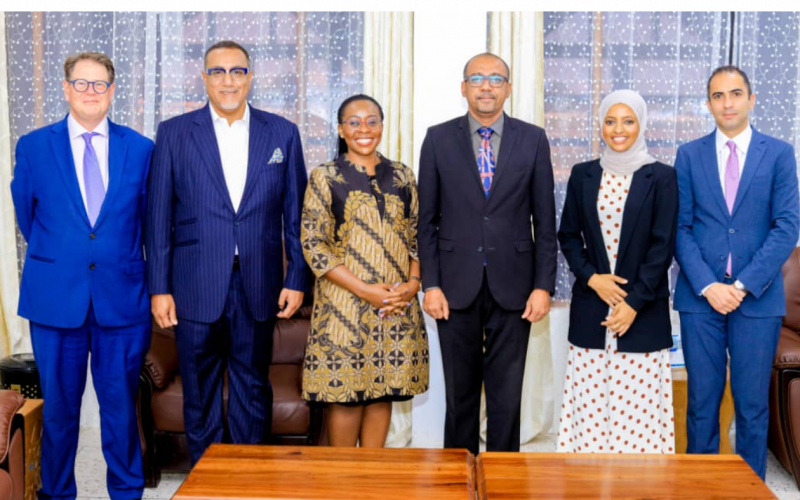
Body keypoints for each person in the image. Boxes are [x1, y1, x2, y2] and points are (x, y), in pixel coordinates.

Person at [146, 40, 310, 464]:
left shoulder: (282, 133)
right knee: (199, 390)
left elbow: (296, 216)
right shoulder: (174, 133)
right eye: (217, 72)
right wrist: (159, 288)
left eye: (237, 71)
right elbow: (158, 216)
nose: (228, 80)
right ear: (203, 78)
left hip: (259, 283)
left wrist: (296, 280)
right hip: (194, 283)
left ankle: (249, 478)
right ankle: (207, 479)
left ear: (250, 77)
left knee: (252, 386)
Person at [11, 51, 153, 499]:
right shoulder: (33, 146)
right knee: (59, 413)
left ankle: (126, 492)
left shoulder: (142, 149)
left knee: (119, 411)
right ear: (66, 88)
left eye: (100, 84)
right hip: (56, 300)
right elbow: (28, 218)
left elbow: (147, 222)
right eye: (82, 83)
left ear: (112, 91)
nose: (91, 92)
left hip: (123, 299)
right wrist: (67, 256)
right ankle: (57, 494)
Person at [417, 53, 557, 454]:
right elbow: (426, 222)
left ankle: (502, 480)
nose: (486, 86)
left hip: (515, 286)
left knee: (506, 398)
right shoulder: (438, 138)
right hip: (454, 287)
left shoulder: (533, 139)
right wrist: (432, 284)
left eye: (496, 79)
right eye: (477, 78)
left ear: (508, 88)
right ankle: (455, 481)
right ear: (463, 88)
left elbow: (545, 223)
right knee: (460, 398)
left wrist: (542, 286)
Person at [674, 65, 800, 478]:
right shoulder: (688, 154)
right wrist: (709, 285)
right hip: (700, 299)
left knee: (751, 405)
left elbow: (786, 226)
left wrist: (742, 284)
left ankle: (749, 489)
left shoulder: (779, 153)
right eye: (717, 96)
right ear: (708, 103)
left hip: (758, 300)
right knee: (702, 404)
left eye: (735, 94)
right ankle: (699, 487)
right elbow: (680, 226)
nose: (727, 103)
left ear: (751, 98)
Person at [300, 94, 429, 447]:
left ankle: (373, 480)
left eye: (372, 121)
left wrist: (414, 284)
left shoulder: (403, 175)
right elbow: (314, 246)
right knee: (346, 394)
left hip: (395, 304)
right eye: (354, 122)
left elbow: (419, 235)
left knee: (382, 389)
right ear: (341, 130)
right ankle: (344, 485)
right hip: (342, 306)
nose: (364, 129)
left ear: (382, 126)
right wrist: (365, 290)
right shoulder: (324, 177)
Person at [557, 89, 678, 453]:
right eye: (610, 121)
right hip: (592, 307)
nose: (618, 129)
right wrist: (592, 278)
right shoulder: (583, 174)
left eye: (628, 121)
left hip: (641, 312)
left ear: (641, 125)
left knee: (637, 417)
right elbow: (568, 235)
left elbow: (663, 247)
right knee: (591, 413)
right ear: (600, 125)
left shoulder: (661, 177)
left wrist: (632, 303)